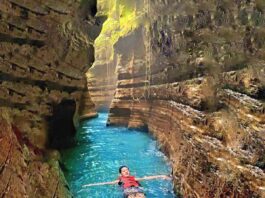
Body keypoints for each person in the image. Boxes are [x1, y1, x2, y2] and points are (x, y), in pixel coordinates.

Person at [83, 165, 171, 198]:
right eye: (124, 171)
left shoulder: (134, 178)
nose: (126, 171)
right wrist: (90, 184)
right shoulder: (119, 180)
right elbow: (106, 183)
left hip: (138, 189)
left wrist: (161, 176)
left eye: (127, 170)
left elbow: (147, 178)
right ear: (121, 174)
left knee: (140, 196)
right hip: (128, 192)